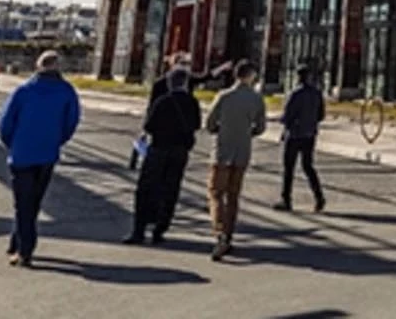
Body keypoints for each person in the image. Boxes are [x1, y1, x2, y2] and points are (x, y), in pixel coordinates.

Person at [0, 50, 81, 268]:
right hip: (47, 154)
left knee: (23, 203)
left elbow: (5, 123)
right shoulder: (67, 92)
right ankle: (17, 242)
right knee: (33, 201)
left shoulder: (23, 91)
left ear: (38, 66)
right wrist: (56, 141)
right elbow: (71, 123)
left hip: (22, 154)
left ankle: (25, 250)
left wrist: (12, 143)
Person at [127, 65, 201, 244]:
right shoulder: (192, 103)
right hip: (180, 151)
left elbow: (149, 126)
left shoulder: (162, 101)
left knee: (147, 188)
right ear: (185, 84)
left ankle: (139, 229)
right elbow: (197, 125)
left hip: (159, 148)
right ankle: (160, 228)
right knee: (171, 189)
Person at [204, 60, 268, 260]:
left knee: (216, 193)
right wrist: (248, 133)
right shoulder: (257, 99)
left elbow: (210, 122)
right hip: (242, 152)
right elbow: (261, 127)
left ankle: (220, 231)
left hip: (222, 151)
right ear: (251, 76)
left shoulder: (224, 96)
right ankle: (229, 233)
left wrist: (219, 130)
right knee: (233, 195)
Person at [276, 66, 327, 213]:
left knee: (289, 168)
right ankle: (319, 197)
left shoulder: (295, 94)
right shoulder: (317, 94)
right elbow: (321, 115)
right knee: (308, 166)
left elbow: (287, 116)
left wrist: (285, 125)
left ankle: (286, 199)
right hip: (310, 134)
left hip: (294, 134)